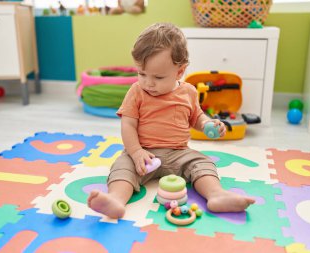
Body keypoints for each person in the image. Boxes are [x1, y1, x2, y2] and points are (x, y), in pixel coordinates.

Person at [87, 23, 255, 219]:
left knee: (203, 163)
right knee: (122, 167)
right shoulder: (136, 92)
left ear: (179, 71)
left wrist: (208, 124)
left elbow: (197, 118)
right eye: (142, 74)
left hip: (179, 153)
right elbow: (128, 124)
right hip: (143, 154)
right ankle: (115, 199)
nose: (148, 82)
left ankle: (216, 195)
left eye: (158, 77)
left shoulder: (189, 92)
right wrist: (135, 152)